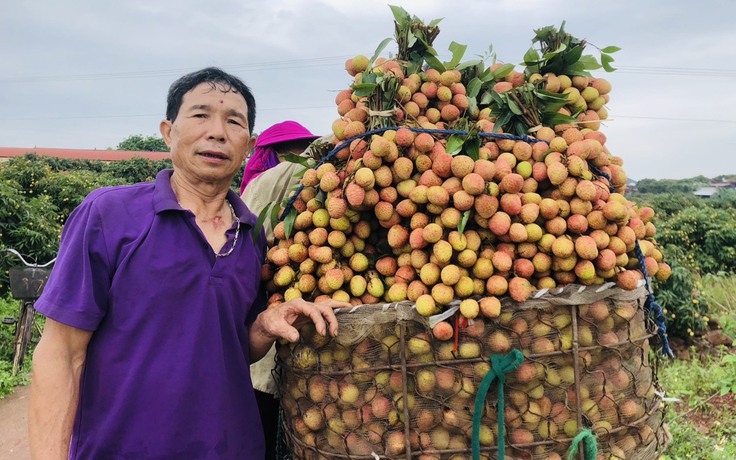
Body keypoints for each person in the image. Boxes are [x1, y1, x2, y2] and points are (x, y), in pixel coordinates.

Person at [28, 67, 347, 460]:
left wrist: (264, 325)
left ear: (248, 145)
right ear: (168, 131)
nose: (217, 131)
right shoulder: (109, 215)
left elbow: (229, 346)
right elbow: (61, 354)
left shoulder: (252, 237)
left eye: (233, 121)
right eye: (200, 115)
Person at [239, 121, 321, 459]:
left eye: (303, 149)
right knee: (267, 433)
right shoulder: (268, 184)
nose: (298, 157)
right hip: (265, 335)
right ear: (271, 154)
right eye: (292, 151)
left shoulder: (286, 188)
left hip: (289, 327)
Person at [239, 120, 319, 195]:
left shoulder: (315, 187)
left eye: (306, 157)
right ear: (270, 158)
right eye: (292, 161)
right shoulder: (258, 189)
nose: (304, 165)